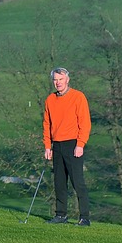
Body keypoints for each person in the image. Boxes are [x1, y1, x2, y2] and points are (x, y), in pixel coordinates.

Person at [42, 67, 92, 226]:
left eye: (60, 79)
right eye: (55, 80)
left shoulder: (78, 97)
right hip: (56, 145)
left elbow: (85, 122)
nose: (58, 82)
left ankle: (84, 217)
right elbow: (47, 124)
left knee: (78, 182)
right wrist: (47, 146)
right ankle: (61, 215)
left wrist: (80, 144)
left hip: (73, 144)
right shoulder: (50, 99)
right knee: (59, 182)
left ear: (67, 80)